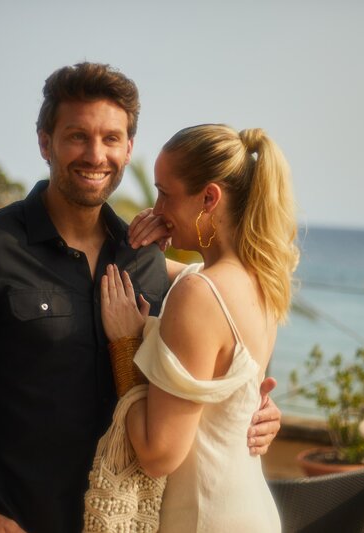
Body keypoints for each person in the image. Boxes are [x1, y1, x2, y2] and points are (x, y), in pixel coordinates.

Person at [0, 62, 282, 533]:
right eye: (77, 136)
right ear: (46, 142)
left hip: (122, 522)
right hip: (19, 520)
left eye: (111, 138)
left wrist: (251, 407)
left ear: (129, 148)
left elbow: (210, 350)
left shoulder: (146, 260)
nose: (95, 155)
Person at [100, 124, 299, 531]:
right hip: (249, 510)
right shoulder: (261, 281)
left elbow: (158, 454)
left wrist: (125, 343)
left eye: (165, 194)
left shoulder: (200, 293)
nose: (156, 209)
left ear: (209, 198)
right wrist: (146, 245)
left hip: (204, 518)